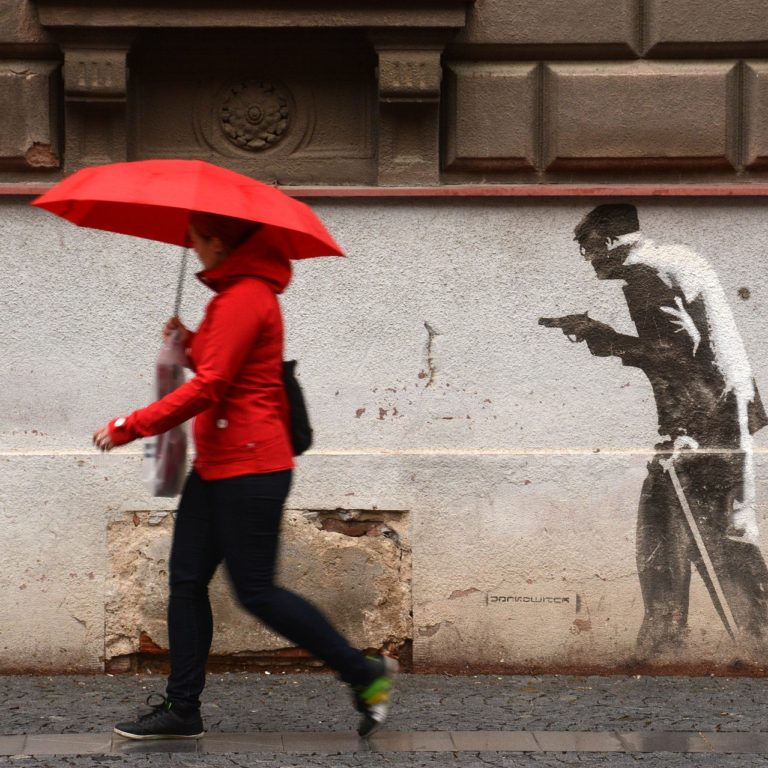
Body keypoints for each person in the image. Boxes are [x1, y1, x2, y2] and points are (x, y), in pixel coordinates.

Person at [93, 211, 396, 739]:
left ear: (218, 241)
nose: (191, 248)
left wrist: (130, 425)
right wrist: (186, 341)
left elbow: (211, 387)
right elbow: (222, 365)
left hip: (252, 468)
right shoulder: (229, 298)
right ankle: (182, 709)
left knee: (255, 592)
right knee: (186, 582)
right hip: (217, 466)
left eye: (196, 239)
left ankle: (363, 673)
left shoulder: (246, 297)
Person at [540, 203, 768, 657]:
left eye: (585, 249)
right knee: (698, 529)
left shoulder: (641, 274)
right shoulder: (676, 257)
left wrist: (602, 337)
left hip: (701, 420)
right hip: (724, 411)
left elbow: (675, 352)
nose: (587, 260)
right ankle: (687, 639)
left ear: (604, 242)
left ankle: (688, 642)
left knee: (681, 532)